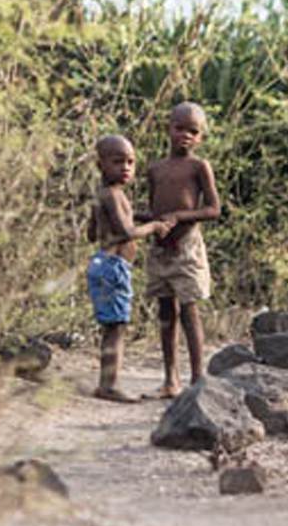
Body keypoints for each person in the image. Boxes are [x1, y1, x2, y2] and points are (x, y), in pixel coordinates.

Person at [86, 134, 173, 402]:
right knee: (117, 327)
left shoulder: (104, 194)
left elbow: (91, 233)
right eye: (117, 162)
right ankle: (108, 385)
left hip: (101, 263)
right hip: (113, 267)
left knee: (112, 326)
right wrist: (155, 227)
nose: (125, 167)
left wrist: (146, 216)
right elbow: (126, 231)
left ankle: (106, 382)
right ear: (100, 165)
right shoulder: (113, 195)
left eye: (131, 162)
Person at [144, 101, 222, 398]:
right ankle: (170, 379)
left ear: (200, 137)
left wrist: (178, 217)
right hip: (161, 248)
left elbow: (213, 209)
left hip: (187, 247)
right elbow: (154, 210)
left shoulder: (199, 167)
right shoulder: (155, 169)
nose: (185, 136)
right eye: (180, 128)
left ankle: (198, 379)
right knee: (166, 311)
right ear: (168, 128)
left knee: (189, 310)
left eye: (193, 131)